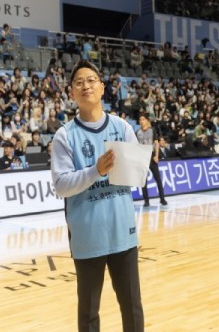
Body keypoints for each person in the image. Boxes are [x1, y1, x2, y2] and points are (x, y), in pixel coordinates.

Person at [50, 60, 144, 331]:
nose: (85, 86)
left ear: (102, 88)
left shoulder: (122, 127)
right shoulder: (64, 136)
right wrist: (96, 170)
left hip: (123, 234)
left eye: (91, 80)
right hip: (87, 237)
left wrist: (134, 167)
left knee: (132, 307)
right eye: (78, 82)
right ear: (71, 93)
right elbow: (61, 185)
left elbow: (138, 175)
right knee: (89, 313)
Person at [136, 112, 168, 207]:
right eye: (140, 120)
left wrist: (156, 156)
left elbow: (156, 143)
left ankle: (162, 199)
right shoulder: (137, 133)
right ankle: (146, 201)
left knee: (158, 179)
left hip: (151, 156)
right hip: (142, 157)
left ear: (147, 121)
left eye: (143, 119)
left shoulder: (152, 130)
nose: (141, 121)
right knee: (143, 181)